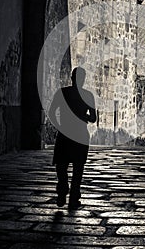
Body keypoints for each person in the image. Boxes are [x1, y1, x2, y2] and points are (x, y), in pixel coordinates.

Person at [48, 67, 96, 209]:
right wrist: (83, 116)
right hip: (81, 134)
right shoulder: (88, 95)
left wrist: (60, 126)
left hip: (65, 133)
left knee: (61, 166)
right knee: (78, 168)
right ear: (83, 79)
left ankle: (62, 190)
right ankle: (74, 197)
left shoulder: (62, 93)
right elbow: (93, 118)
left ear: (71, 77)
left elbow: (51, 112)